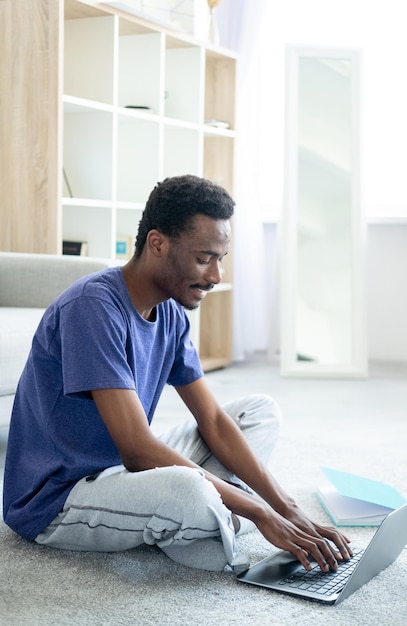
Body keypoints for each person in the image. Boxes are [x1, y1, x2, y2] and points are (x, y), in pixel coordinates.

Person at [3, 175, 352, 573]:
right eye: (204, 258)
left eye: (220, 259)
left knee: (258, 412)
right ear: (157, 244)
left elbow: (215, 422)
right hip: (61, 498)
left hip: (126, 470)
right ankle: (209, 521)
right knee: (189, 491)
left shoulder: (169, 311)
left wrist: (286, 507)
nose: (215, 275)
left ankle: (207, 521)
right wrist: (259, 512)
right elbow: (138, 450)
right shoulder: (93, 307)